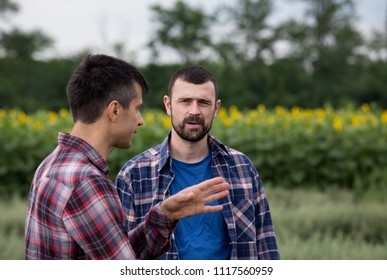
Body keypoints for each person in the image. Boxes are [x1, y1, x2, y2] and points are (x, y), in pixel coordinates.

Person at [24, 55, 229, 260]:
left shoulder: (51, 164)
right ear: (114, 110)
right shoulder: (87, 182)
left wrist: (164, 215)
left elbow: (114, 252)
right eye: (137, 108)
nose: (140, 121)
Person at [115, 66, 280, 260]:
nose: (194, 111)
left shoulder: (242, 168)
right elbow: (121, 259)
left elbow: (266, 246)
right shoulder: (134, 175)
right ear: (168, 105)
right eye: (185, 101)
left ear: (216, 108)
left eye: (203, 102)